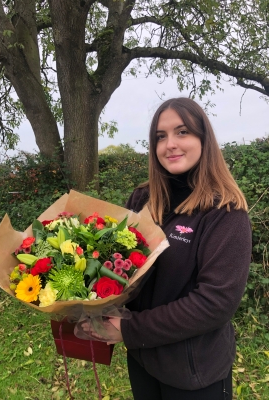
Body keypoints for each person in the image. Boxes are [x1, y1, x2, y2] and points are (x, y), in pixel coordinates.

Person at [86, 97, 252, 400]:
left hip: (193, 372)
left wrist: (130, 330)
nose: (170, 144)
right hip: (143, 360)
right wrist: (85, 297)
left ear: (204, 139)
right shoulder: (142, 200)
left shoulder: (225, 212)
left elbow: (215, 302)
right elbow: (119, 265)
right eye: (160, 136)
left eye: (182, 132)